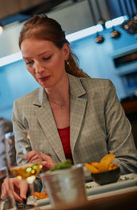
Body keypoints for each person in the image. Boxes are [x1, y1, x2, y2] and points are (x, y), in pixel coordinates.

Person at [10, 14, 137, 200]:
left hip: (110, 203)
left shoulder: (102, 92)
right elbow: (33, 180)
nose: (37, 69)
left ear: (65, 51)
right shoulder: (22, 109)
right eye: (29, 62)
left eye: (45, 58)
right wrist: (21, 182)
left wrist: (66, 173)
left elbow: (128, 162)